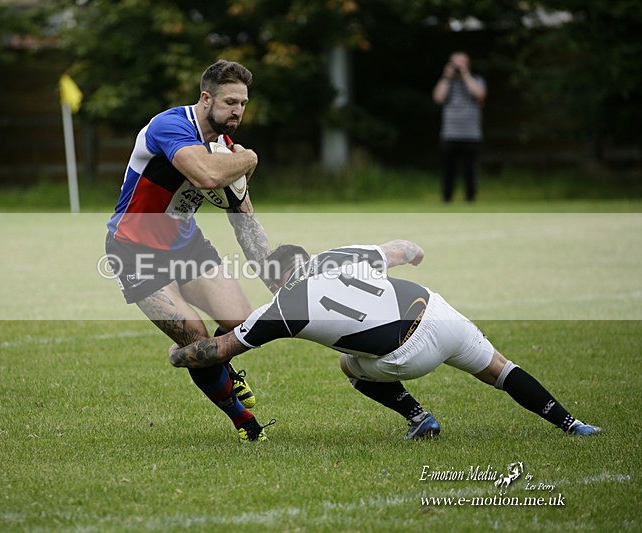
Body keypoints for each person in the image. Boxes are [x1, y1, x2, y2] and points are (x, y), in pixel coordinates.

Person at [168, 240, 602, 440]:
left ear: (275, 278)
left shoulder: (282, 307)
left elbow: (219, 349)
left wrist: (178, 354)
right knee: (500, 370)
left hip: (407, 354)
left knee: (348, 366)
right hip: (439, 313)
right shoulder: (336, 256)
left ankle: (419, 418)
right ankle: (571, 424)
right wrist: (413, 253)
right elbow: (402, 250)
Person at [104, 60, 273, 442]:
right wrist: (249, 159)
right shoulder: (171, 126)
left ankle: (207, 363)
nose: (238, 111)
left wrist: (274, 278)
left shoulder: (224, 148)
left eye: (243, 103)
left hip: (188, 247)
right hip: (135, 250)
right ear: (205, 98)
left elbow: (243, 219)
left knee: (241, 323)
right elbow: (208, 175)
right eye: (230, 101)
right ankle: (243, 418)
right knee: (197, 339)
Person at [432, 51, 487, 203]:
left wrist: (466, 75)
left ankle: (470, 199)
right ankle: (446, 199)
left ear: (468, 65)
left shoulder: (476, 79)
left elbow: (480, 95)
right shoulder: (447, 82)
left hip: (471, 133)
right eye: (455, 63)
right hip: (450, 133)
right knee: (448, 170)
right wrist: (446, 77)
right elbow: (438, 98)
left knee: (470, 170)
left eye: (461, 63)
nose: (458, 66)